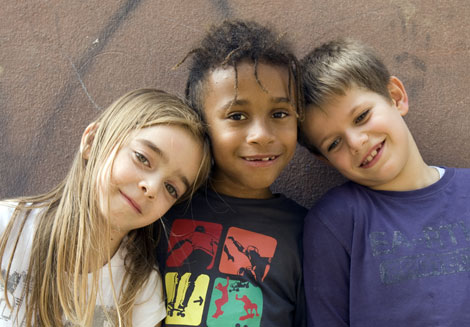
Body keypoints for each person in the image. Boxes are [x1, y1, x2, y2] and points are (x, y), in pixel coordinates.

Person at [0, 89, 211, 327]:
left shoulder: (140, 288)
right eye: (143, 158)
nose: (151, 188)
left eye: (171, 188)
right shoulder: (7, 228)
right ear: (92, 141)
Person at [299, 38, 470, 326]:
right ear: (325, 160)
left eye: (362, 116)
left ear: (395, 96)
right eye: (334, 143)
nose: (356, 142)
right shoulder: (334, 223)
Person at [158, 20, 307, 327]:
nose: (261, 135)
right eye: (237, 116)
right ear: (201, 124)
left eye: (279, 114)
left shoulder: (308, 232)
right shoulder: (161, 208)